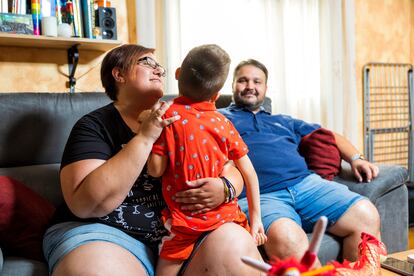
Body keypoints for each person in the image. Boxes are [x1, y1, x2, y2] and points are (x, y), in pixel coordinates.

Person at [42, 45, 263, 276]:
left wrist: (225, 188)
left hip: (184, 232)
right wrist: (146, 137)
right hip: (105, 233)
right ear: (118, 74)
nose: (157, 69)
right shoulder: (94, 126)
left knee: (240, 252)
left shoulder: (187, 117)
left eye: (159, 66)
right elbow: (85, 204)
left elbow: (233, 169)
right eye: (147, 62)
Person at [219, 59, 381, 264]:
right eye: (243, 80)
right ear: (232, 85)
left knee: (367, 214)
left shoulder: (283, 120)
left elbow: (329, 136)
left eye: (257, 81)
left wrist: (356, 158)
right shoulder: (219, 118)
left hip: (307, 185)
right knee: (288, 238)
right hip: (261, 196)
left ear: (265, 88)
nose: (250, 86)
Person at [146, 44, 267, 276]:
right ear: (217, 95)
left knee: (165, 269)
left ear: (178, 73)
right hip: (226, 215)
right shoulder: (224, 123)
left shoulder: (167, 117)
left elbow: (155, 169)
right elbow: (250, 174)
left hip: (184, 222)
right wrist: (256, 220)